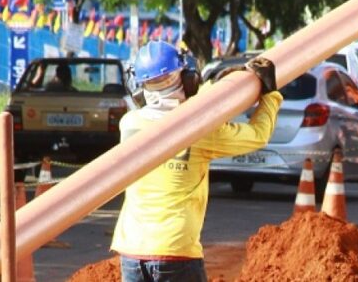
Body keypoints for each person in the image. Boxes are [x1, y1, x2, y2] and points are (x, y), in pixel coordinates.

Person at [111, 41, 282, 282]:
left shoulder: (129, 124)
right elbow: (258, 135)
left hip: (131, 251)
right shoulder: (201, 131)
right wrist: (270, 95)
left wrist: (214, 87)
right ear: (188, 80)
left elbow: (173, 116)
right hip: (175, 250)